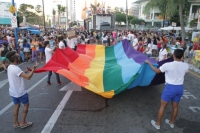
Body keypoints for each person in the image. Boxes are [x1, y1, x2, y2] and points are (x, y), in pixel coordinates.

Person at [145, 49, 189, 130]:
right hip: (180, 88)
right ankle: (171, 122)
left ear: (173, 55)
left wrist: (149, 63)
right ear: (182, 56)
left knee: (163, 106)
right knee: (175, 107)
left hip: (170, 88)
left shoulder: (168, 65)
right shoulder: (186, 65)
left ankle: (158, 124)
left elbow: (156, 71)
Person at [6, 51, 38, 128]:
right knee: (26, 105)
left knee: (16, 106)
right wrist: (33, 69)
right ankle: (23, 122)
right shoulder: (16, 68)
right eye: (18, 56)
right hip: (21, 92)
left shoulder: (9, 67)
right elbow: (28, 77)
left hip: (13, 92)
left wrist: (25, 72)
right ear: (14, 59)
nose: (19, 57)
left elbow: (17, 75)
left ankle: (16, 123)